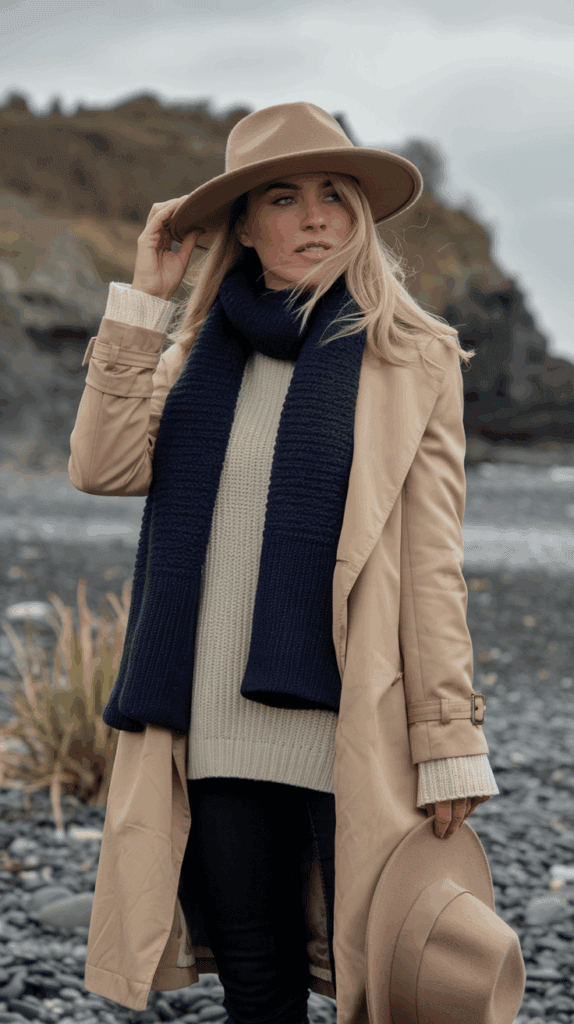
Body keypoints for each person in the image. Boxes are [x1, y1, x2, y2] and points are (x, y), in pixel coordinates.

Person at [72, 102, 499, 1024]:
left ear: (360, 217)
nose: (316, 219)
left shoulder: (412, 359)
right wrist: (145, 303)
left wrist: (450, 739)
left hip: (352, 726)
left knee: (376, 979)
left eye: (335, 197)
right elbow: (101, 468)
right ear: (244, 225)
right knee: (256, 979)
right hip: (211, 719)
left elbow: (432, 564)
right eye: (283, 198)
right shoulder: (187, 356)